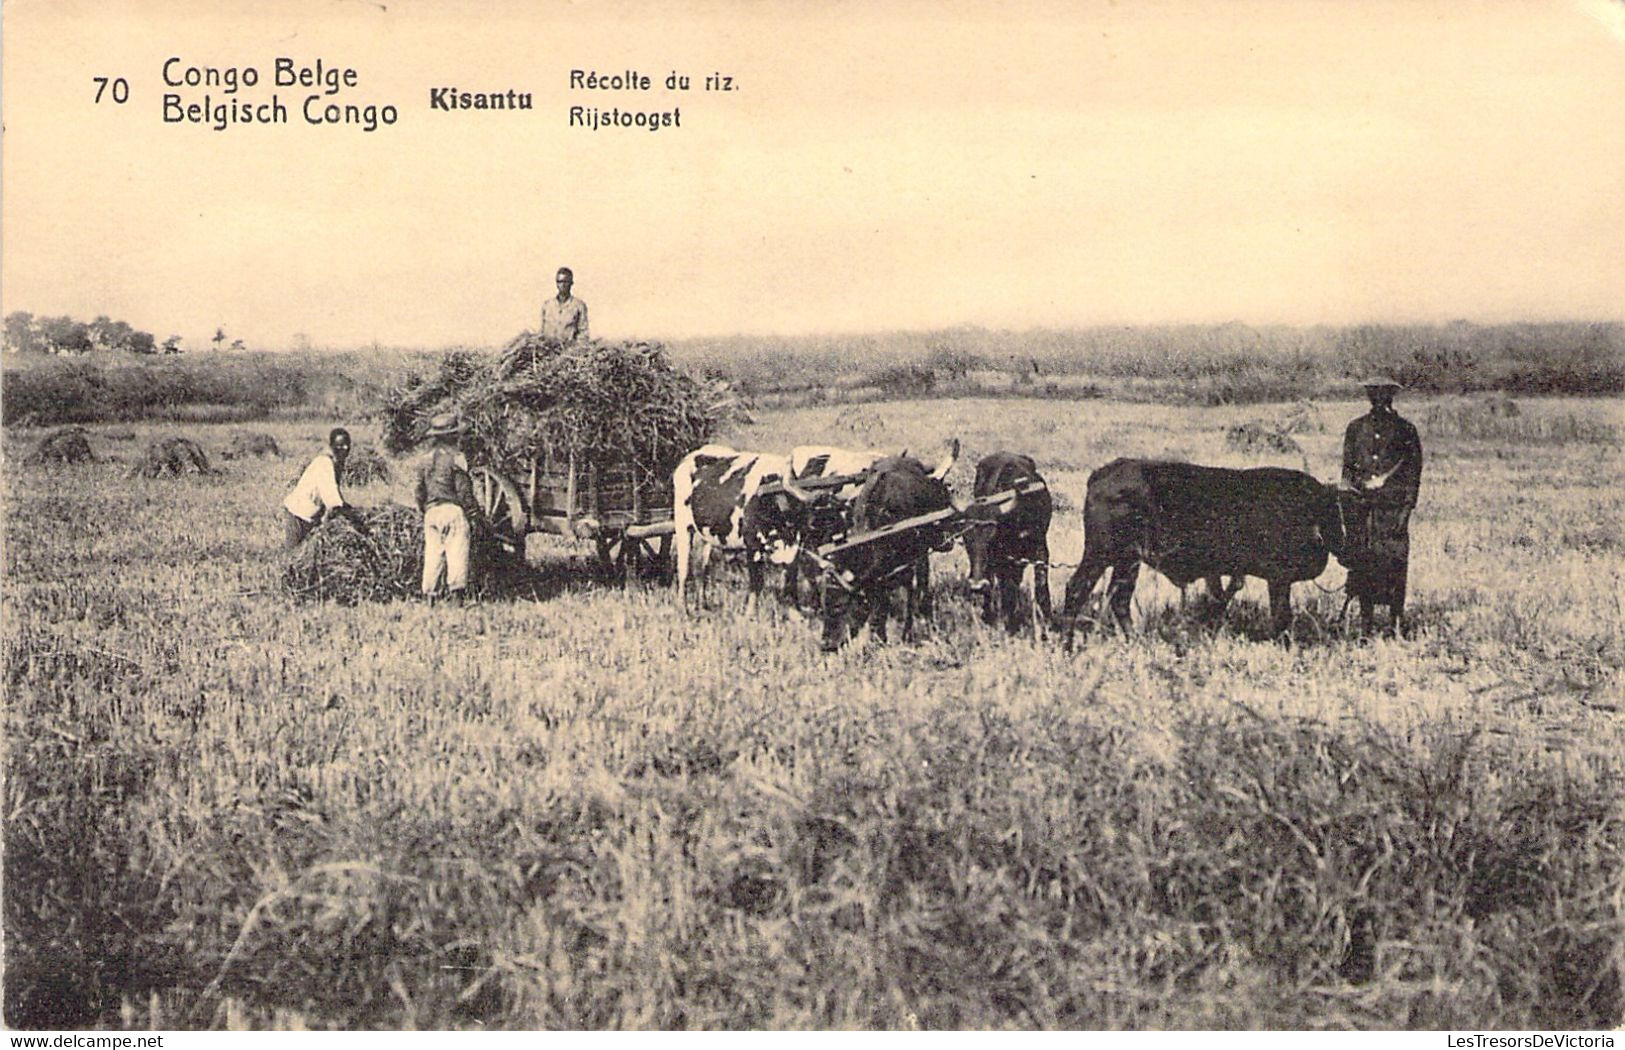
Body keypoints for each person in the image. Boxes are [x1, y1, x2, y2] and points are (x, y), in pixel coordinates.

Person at [1341, 376, 1423, 635]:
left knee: (1394, 564)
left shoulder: (1405, 430)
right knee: (1364, 564)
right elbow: (1347, 468)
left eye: (1383, 394)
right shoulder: (1355, 428)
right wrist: (1353, 496)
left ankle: (1394, 623)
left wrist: (1406, 509)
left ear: (1391, 397)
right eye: (1373, 394)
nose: (1378, 399)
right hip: (1362, 508)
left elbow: (1413, 472)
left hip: (1393, 510)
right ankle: (1366, 625)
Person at [414, 413, 481, 601]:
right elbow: (463, 492)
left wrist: (423, 509)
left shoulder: (424, 459)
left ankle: (430, 600)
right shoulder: (457, 458)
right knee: (457, 553)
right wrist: (474, 515)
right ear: (452, 436)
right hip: (452, 511)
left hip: (431, 512)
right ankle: (457, 601)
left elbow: (419, 491)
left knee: (433, 555)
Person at [282, 427, 363, 547]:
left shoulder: (337, 464)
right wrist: (353, 518)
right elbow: (333, 501)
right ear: (331, 446)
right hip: (298, 513)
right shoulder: (324, 464)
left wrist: (348, 508)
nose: (345, 449)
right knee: (294, 554)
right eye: (340, 445)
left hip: (311, 515)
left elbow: (336, 492)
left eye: (347, 445)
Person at [539, 266, 589, 343]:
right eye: (559, 282)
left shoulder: (578, 306)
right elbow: (541, 330)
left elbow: (583, 333)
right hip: (548, 349)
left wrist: (575, 350)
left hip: (568, 351)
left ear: (571, 283)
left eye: (565, 282)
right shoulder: (547, 305)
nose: (562, 285)